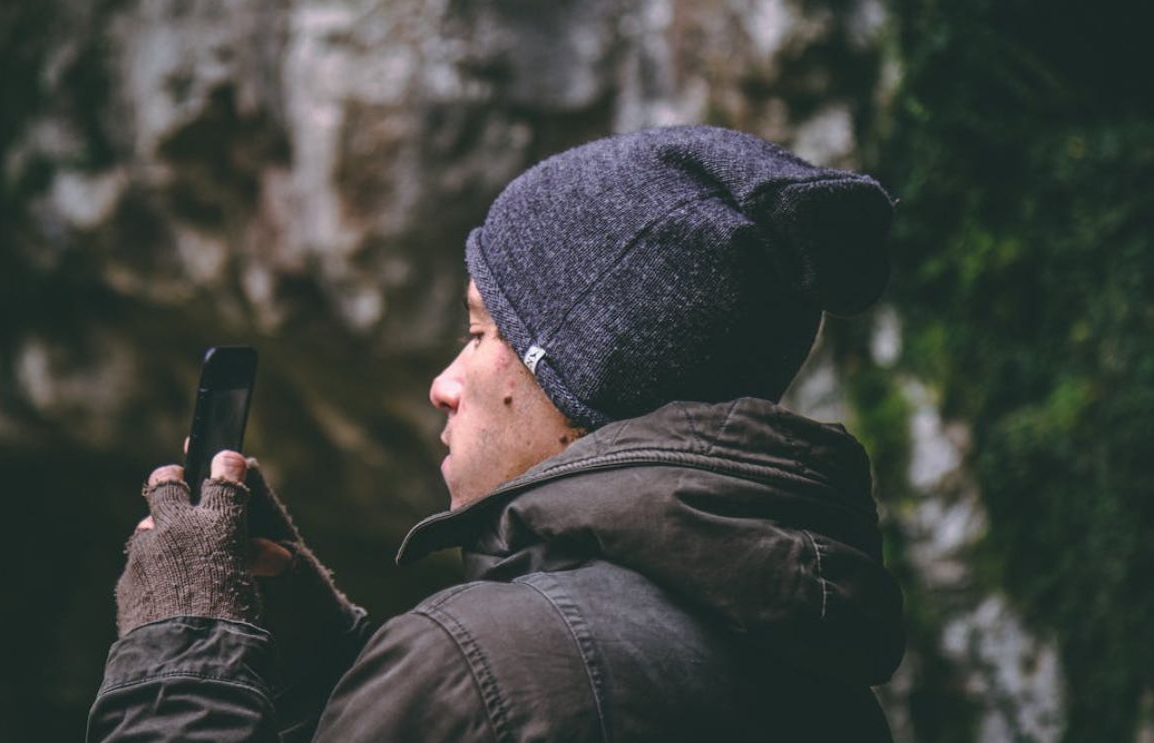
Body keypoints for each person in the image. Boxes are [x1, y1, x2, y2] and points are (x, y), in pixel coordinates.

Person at [88, 125, 905, 742]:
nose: (443, 385)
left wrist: (182, 651)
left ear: (580, 368)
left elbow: (509, 691)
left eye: (479, 333)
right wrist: (318, 653)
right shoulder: (812, 667)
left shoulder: (486, 671)